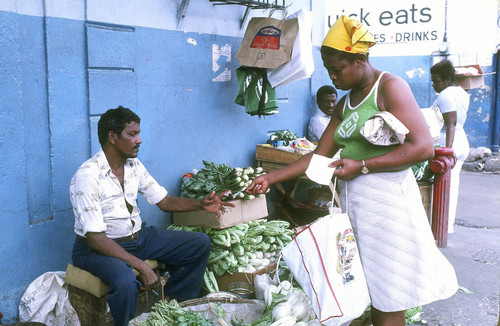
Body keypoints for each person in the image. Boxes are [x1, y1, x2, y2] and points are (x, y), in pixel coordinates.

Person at [247, 16, 458, 326]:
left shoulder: (389, 87)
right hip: (357, 208)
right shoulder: (345, 105)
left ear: (361, 60)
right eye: (328, 69)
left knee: (390, 295)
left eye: (338, 69)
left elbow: (422, 147)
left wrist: (362, 165)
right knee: (369, 291)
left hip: (389, 206)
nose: (333, 76)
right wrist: (270, 177)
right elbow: (319, 157)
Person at [70, 106, 234, 326]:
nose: (139, 140)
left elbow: (165, 202)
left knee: (199, 244)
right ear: (113, 137)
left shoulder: (134, 166)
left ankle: (173, 309)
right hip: (98, 249)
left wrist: (201, 204)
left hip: (137, 239)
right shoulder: (88, 175)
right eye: (132, 134)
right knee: (125, 280)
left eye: (138, 133)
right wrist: (142, 266)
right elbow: (96, 239)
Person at [431, 60, 470, 233]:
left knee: (441, 186)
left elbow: (450, 124)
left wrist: (447, 151)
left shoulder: (446, 95)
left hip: (449, 141)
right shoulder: (462, 92)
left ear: (447, 80)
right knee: (452, 187)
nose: (433, 84)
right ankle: (447, 226)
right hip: (462, 140)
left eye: (436, 81)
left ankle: (440, 227)